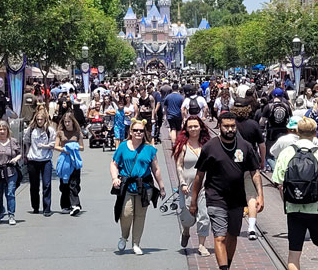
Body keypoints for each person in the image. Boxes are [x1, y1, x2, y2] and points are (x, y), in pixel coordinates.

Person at [189, 112, 264, 270]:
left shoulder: (245, 146)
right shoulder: (210, 147)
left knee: (232, 235)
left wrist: (260, 195)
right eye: (226, 126)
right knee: (220, 237)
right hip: (215, 197)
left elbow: (254, 172)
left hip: (236, 199)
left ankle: (227, 265)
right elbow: (199, 176)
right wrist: (194, 201)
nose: (230, 129)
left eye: (232, 126)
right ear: (220, 126)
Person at [272, 118, 318, 270]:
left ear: (297, 132)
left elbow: (279, 183)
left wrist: (290, 198)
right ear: (315, 133)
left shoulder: (286, 153)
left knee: (294, 253)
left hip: (294, 209)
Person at [110, 118, 166, 255]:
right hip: (127, 185)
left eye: (141, 131)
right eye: (135, 130)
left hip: (144, 186)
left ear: (144, 132)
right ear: (131, 131)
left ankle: (136, 243)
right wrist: (114, 178)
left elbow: (156, 169)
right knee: (126, 213)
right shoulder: (123, 146)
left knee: (140, 216)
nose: (138, 133)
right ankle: (124, 236)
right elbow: (114, 164)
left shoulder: (150, 149)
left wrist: (161, 186)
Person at [173, 116, 212, 256]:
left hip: (203, 187)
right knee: (188, 217)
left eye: (195, 126)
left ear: (201, 127)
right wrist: (182, 183)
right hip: (187, 187)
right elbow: (179, 166)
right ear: (186, 129)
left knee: (204, 215)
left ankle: (201, 245)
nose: (193, 129)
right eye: (190, 127)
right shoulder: (182, 145)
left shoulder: (207, 145)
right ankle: (186, 231)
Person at [232, 99, 265, 240]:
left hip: (233, 162)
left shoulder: (230, 125)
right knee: (251, 195)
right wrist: (262, 160)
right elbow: (262, 145)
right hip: (250, 162)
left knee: (233, 195)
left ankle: (233, 226)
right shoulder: (253, 124)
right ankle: (251, 228)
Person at [23, 105, 56, 216]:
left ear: (45, 119)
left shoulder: (49, 130)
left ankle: (47, 208)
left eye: (41, 119)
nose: (40, 121)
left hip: (45, 159)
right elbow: (26, 141)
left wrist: (45, 146)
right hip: (33, 159)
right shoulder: (31, 129)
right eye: (38, 119)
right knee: (34, 185)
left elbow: (53, 144)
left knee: (46, 184)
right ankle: (35, 207)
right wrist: (27, 153)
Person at [54, 112, 84, 216]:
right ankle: (65, 205)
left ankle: (75, 205)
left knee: (74, 183)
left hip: (74, 160)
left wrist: (73, 147)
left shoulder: (77, 133)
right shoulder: (60, 133)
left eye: (69, 122)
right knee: (64, 184)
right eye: (65, 122)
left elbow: (82, 147)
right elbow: (56, 146)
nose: (67, 124)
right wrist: (65, 149)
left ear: (73, 122)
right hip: (64, 161)